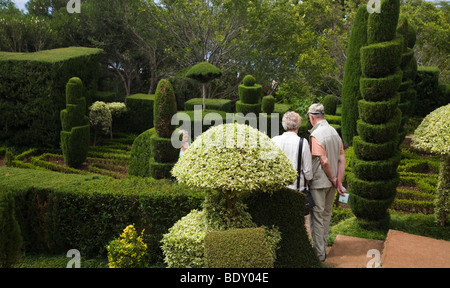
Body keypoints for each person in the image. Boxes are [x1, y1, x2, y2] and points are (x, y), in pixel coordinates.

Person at [307, 104, 346, 262]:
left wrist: (332, 178)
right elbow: (341, 159)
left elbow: (323, 161)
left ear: (311, 117)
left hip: (319, 183)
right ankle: (321, 249)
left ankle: (318, 254)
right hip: (332, 184)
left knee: (317, 217)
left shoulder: (316, 134)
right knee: (326, 215)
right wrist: (338, 181)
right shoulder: (334, 132)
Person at [272, 111, 313, 192]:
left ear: (284, 124)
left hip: (278, 187)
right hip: (297, 188)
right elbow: (307, 170)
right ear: (298, 125)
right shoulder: (302, 142)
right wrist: (308, 180)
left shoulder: (274, 140)